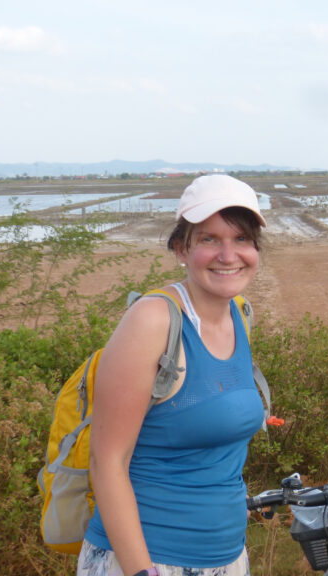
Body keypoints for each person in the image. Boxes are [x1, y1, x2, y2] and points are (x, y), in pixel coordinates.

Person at [77, 174, 268, 576]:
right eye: (209, 239)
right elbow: (106, 461)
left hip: (227, 558)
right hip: (147, 561)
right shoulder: (152, 321)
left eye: (242, 239)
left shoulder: (239, 314)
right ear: (181, 248)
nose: (228, 255)